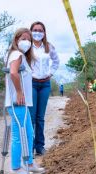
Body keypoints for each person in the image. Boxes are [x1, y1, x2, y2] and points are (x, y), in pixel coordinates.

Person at [5, 28, 44, 174]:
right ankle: (15, 168)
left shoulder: (22, 56)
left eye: (28, 39)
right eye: (23, 38)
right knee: (20, 134)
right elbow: (13, 73)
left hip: (22, 103)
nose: (26, 42)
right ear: (16, 40)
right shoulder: (16, 54)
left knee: (28, 133)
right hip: (18, 102)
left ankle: (28, 164)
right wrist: (20, 92)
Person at [29, 21, 60, 156]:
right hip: (31, 83)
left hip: (45, 84)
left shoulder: (48, 47)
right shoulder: (27, 47)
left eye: (40, 30)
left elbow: (56, 61)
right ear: (30, 31)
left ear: (44, 32)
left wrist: (50, 73)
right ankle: (29, 146)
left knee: (40, 117)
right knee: (31, 117)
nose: (37, 32)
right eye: (35, 30)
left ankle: (40, 146)